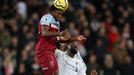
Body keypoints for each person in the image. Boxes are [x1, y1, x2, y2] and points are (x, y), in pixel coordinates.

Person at [35, 0, 85, 75]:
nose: (60, 16)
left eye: (61, 14)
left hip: (51, 50)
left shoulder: (57, 23)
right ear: (53, 11)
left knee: (56, 73)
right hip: (44, 49)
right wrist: (59, 33)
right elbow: (44, 33)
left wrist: (75, 38)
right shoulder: (47, 17)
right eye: (59, 13)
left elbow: (57, 39)